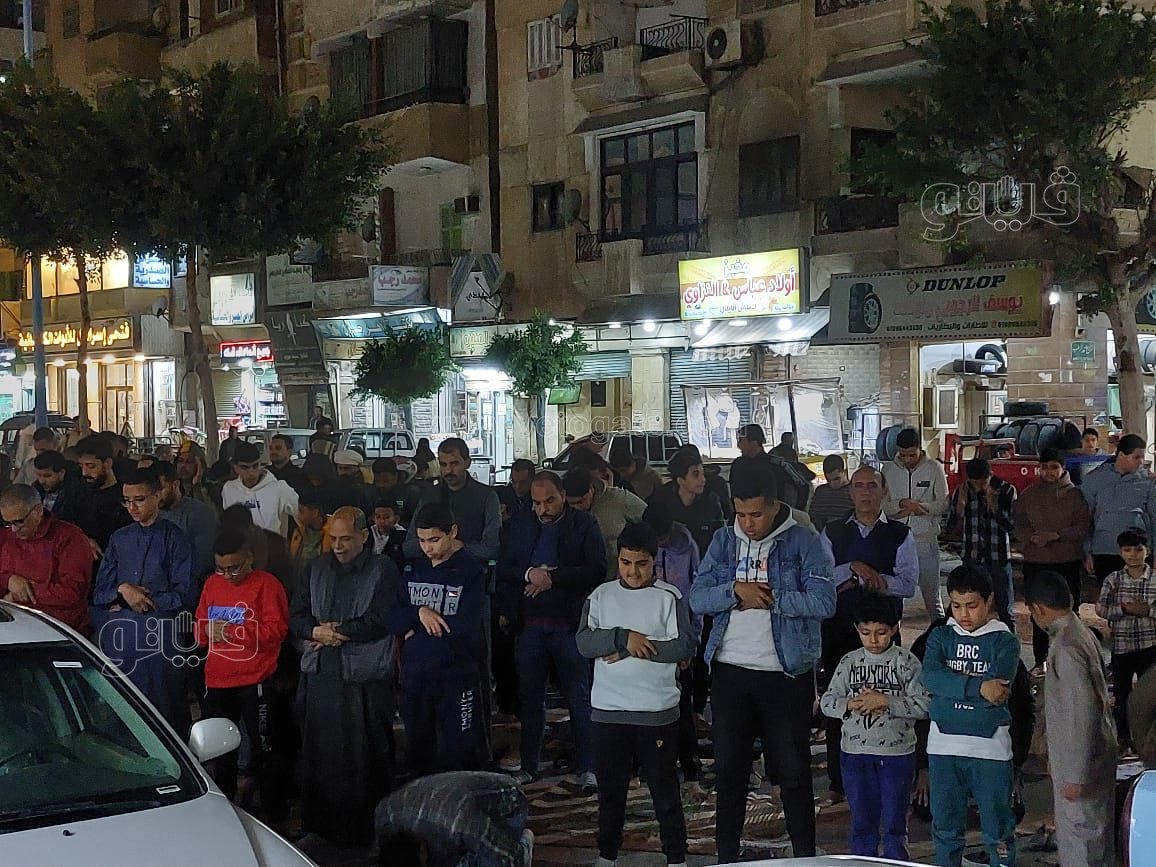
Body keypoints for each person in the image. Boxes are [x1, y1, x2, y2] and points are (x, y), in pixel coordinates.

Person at [689, 466, 836, 861]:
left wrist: (771, 599)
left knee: (793, 773)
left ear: (774, 506)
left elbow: (825, 602)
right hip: (729, 671)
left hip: (785, 673)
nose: (748, 524)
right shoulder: (723, 541)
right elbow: (697, 598)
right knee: (729, 774)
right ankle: (726, 859)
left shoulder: (803, 542)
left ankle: (804, 857)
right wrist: (736, 591)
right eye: (740, 514)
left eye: (756, 514)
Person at [576, 521, 694, 867]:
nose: (633, 571)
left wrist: (631, 648)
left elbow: (683, 646)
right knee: (611, 793)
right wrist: (622, 637)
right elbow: (584, 643)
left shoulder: (669, 597)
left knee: (664, 792)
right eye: (626, 563)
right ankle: (607, 856)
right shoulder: (600, 596)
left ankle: (676, 858)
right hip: (608, 711)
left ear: (654, 561)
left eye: (641, 563)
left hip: (656, 711)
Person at [290, 506, 402, 846]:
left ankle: (369, 831)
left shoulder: (383, 569)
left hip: (366, 677)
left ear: (364, 536)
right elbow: (297, 615)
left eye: (345, 539)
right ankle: (321, 827)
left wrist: (339, 632)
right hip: (322, 672)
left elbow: (382, 619)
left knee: (368, 752)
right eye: (333, 539)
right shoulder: (315, 568)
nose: (338, 546)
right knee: (320, 752)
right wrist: (315, 631)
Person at [495, 471, 606, 789]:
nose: (542, 509)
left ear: (563, 495)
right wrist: (531, 574)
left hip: (569, 625)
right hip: (529, 625)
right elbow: (504, 567)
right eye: (536, 503)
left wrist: (552, 578)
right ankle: (530, 766)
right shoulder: (521, 524)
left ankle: (588, 766)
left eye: (549, 501)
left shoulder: (583, 524)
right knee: (530, 699)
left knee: (579, 697)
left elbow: (596, 569)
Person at [818, 465, 918, 804]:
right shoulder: (832, 532)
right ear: (850, 492)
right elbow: (821, 580)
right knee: (840, 705)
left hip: (885, 637)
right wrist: (852, 569)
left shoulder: (900, 534)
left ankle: (886, 774)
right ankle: (839, 781)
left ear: (884, 490)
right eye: (859, 486)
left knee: (888, 700)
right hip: (839, 632)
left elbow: (907, 584)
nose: (865, 492)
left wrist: (869, 577)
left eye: (872, 486)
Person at [921, 565, 1020, 867]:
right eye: (956, 605)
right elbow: (930, 678)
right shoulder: (940, 635)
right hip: (943, 747)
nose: (964, 614)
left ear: (989, 601)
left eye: (972, 605)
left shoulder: (1005, 641)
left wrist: (952, 686)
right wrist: (978, 687)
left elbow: (997, 693)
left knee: (998, 829)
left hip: (990, 750)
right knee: (945, 827)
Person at [819, 593, 930, 861]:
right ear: (857, 629)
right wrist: (850, 704)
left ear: (894, 629)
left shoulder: (907, 662)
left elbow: (925, 705)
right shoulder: (849, 662)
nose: (873, 640)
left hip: (897, 755)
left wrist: (886, 702)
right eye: (866, 633)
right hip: (855, 754)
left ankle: (896, 862)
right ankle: (863, 862)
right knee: (862, 823)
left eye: (881, 633)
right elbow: (827, 703)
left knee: (894, 824)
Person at [194, 526, 291, 821]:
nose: (228, 575)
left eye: (234, 567)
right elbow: (199, 630)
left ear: (249, 557)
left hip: (255, 680)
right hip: (217, 680)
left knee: (264, 752)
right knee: (220, 754)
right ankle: (224, 814)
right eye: (221, 568)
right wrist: (207, 632)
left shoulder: (267, 585)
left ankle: (273, 815)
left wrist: (232, 631)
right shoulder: (212, 584)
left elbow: (277, 632)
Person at [91, 467, 196, 734]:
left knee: (165, 711)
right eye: (127, 501)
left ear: (157, 496)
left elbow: (185, 594)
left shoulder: (175, 538)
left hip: (161, 637)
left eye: (139, 500)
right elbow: (100, 593)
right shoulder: (119, 538)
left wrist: (144, 598)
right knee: (124, 709)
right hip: (122, 637)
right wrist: (123, 590)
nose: (132, 508)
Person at [387, 503, 488, 776]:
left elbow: (465, 626)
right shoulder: (413, 569)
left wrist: (416, 624)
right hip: (415, 674)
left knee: (459, 750)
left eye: (434, 539)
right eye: (421, 541)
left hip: (456, 675)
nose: (427, 548)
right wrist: (419, 613)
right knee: (418, 749)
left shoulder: (471, 571)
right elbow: (392, 618)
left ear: (452, 532)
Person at [1024, 569, 1117, 867]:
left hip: (1082, 761)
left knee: (1082, 841)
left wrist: (1075, 774)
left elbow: (1081, 711)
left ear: (1038, 609)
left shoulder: (1065, 647)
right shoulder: (1081, 633)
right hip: (1096, 751)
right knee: (1095, 836)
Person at [1014, 447, 1091, 670]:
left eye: (1054, 467)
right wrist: (1031, 537)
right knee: (1037, 611)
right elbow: (1018, 524)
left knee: (1069, 612)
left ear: (1063, 468)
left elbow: (1083, 526)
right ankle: (1040, 661)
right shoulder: (1029, 495)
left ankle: (1072, 661)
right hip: (1036, 561)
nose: (1049, 472)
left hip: (1066, 561)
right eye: (1045, 467)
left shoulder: (1075, 496)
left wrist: (1056, 535)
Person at [644, 499, 703, 781]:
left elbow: (696, 595)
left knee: (681, 704)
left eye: (663, 538)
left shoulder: (687, 547)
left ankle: (689, 764)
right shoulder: (639, 548)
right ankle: (650, 765)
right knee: (647, 706)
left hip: (680, 635)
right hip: (646, 636)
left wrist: (692, 639)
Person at [375, 772, 534, 867]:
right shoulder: (383, 815)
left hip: (508, 799)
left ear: (423, 851)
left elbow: (509, 858)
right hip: (453, 797)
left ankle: (525, 843)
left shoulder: (461, 822)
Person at [0, 483, 93, 635]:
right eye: (7, 523)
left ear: (38, 511)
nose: (14, 529)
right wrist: (8, 579)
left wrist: (23, 593)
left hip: (60, 629)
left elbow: (73, 592)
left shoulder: (69, 537)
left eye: (19, 521)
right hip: (13, 622)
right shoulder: (5, 536)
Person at [1095, 528, 1156, 749]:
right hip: (1122, 647)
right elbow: (1101, 609)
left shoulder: (1155, 579)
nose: (1133, 555)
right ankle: (1123, 738)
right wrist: (1124, 609)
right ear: (1120, 552)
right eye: (1127, 550)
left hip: (1150, 645)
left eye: (1138, 549)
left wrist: (1148, 611)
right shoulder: (1113, 579)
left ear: (1147, 551)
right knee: (1121, 695)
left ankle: (1148, 740)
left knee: (1150, 696)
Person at [883, 428, 950, 619]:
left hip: (925, 541)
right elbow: (883, 505)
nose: (907, 459)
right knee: (895, 594)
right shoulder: (888, 470)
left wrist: (920, 508)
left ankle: (940, 630)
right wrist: (901, 504)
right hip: (896, 541)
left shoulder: (934, 468)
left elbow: (943, 503)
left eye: (912, 455)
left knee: (932, 594)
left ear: (920, 448)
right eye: (903, 455)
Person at [404, 438, 501, 563]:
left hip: (470, 567)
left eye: (454, 464)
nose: (448, 470)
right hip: (431, 568)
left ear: (467, 463)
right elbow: (408, 547)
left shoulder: (486, 496)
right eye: (443, 464)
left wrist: (457, 546)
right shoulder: (429, 496)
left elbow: (491, 549)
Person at [1082, 433, 1156, 583]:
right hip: (1104, 549)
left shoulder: (1148, 481)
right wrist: (1087, 552)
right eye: (1136, 457)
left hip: (1138, 551)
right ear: (1121, 455)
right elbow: (1085, 518)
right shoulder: (1094, 479)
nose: (1141, 462)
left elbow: (1154, 518)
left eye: (1142, 457)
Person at [952, 457, 1017, 625]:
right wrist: (959, 508)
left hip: (998, 557)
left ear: (990, 475)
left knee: (1005, 608)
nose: (978, 487)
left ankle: (1009, 637)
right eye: (974, 483)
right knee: (972, 605)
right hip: (972, 556)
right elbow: (951, 526)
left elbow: (1011, 526)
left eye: (982, 482)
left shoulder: (1006, 490)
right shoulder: (963, 490)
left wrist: (994, 507)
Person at [563, 466, 648, 581]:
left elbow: (650, 518)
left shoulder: (619, 499)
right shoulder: (563, 509)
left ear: (591, 489)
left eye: (580, 502)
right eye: (571, 504)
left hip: (617, 574)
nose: (577, 507)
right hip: (582, 575)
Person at [155, 459, 218, 585]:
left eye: (161, 489)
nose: (157, 495)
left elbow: (203, 561)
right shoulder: (151, 512)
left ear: (175, 485)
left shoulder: (199, 513)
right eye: (152, 491)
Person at [656, 447, 726, 556]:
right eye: (695, 474)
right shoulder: (662, 501)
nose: (703, 479)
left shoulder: (711, 501)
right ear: (680, 480)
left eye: (703, 474)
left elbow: (721, 537)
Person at [221, 441, 299, 538]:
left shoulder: (280, 488)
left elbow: (302, 516)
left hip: (272, 545)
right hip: (240, 545)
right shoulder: (229, 489)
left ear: (260, 464)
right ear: (236, 468)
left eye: (255, 466)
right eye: (245, 467)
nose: (251, 472)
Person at [73, 434, 132, 561]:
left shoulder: (126, 497)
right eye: (81, 466)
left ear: (107, 463)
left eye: (91, 466)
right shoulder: (75, 494)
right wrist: (83, 539)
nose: (85, 473)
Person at [32, 449, 85, 523]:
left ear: (61, 473)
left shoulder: (76, 494)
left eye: (47, 476)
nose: (41, 481)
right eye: (39, 475)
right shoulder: (36, 489)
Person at [808, 453, 854, 533]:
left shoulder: (855, 491)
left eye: (836, 479)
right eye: (828, 480)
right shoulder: (820, 491)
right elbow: (812, 516)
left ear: (844, 472)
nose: (833, 484)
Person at [290, 490, 330, 569]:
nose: (298, 515)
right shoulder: (298, 532)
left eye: (301, 511)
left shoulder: (332, 533)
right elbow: (292, 562)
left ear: (315, 513)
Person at [372, 457, 418, 525]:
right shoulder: (371, 493)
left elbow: (416, 519)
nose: (381, 485)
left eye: (386, 481)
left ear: (396, 475)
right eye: (377, 481)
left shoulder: (411, 493)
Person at [496, 458, 535, 524]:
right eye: (514, 481)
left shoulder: (538, 498)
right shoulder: (500, 494)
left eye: (523, 483)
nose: (518, 486)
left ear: (532, 480)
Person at [371, 501, 407, 572]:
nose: (382, 521)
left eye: (387, 517)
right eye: (378, 517)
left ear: (396, 519)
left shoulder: (403, 536)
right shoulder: (367, 533)